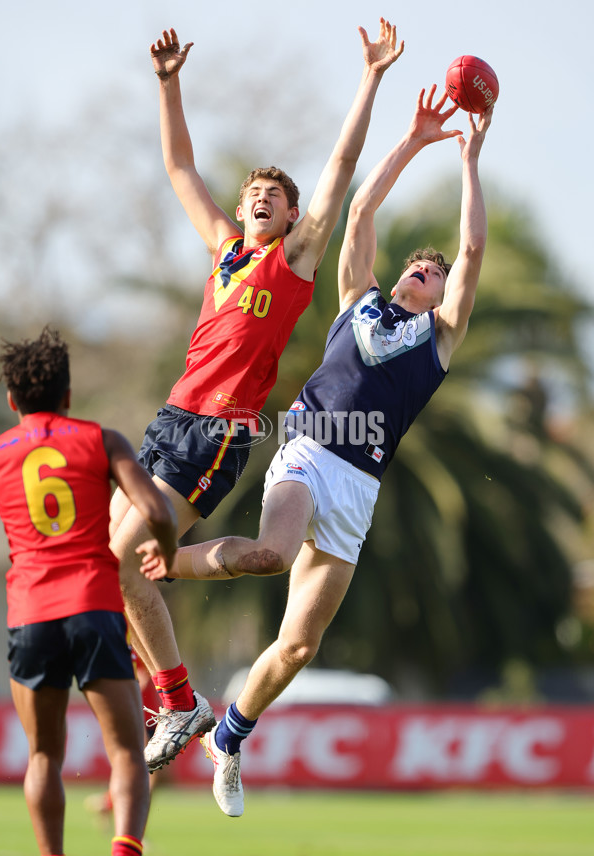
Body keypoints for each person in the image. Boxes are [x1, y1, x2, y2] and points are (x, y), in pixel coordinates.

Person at [140, 86, 494, 816]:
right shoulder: (357, 296)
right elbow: (357, 211)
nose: (422, 273)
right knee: (270, 553)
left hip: (359, 485)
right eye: (418, 268)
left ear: (443, 293)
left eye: (434, 276)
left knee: (299, 645)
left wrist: (471, 160)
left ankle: (230, 738)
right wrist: (414, 139)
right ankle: (155, 566)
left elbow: (473, 248)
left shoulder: (440, 340)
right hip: (308, 445)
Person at [108, 20, 405, 773]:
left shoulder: (296, 261)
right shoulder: (222, 252)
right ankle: (172, 693)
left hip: (218, 432)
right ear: (241, 211)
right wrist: (169, 83)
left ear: (289, 215)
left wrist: (371, 76)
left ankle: (178, 704)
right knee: (103, 563)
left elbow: (340, 165)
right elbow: (178, 166)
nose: (262, 199)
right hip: (169, 421)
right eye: (254, 194)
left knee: (122, 560)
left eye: (276, 194)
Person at [0, 327, 178, 856]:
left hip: (29, 614)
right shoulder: (100, 440)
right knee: (125, 751)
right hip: (93, 608)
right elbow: (158, 509)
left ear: (11, 401)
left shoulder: (1, 453)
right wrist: (164, 552)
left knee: (43, 756)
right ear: (68, 395)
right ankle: (124, 850)